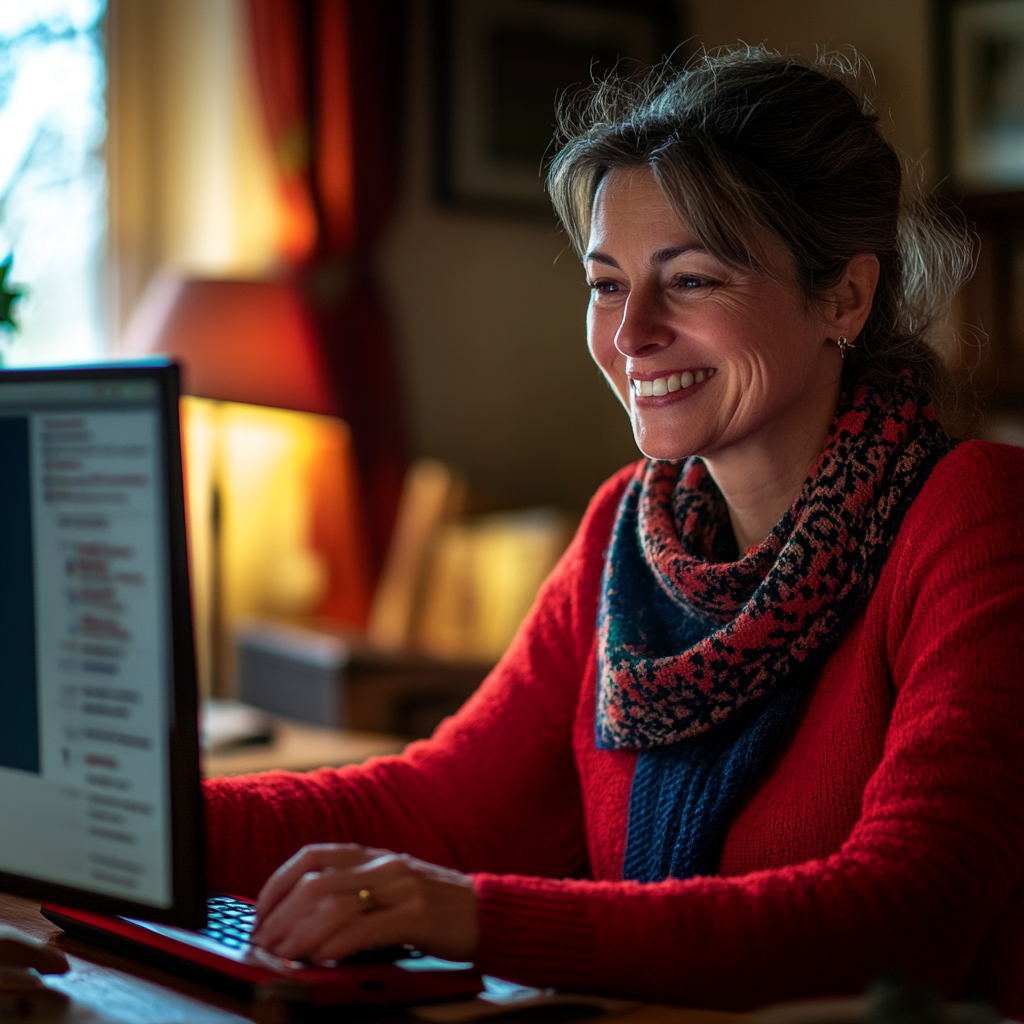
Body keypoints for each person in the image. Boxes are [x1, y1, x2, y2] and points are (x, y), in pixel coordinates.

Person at [205, 49, 1024, 1014]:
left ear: (844, 296)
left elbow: (901, 919)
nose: (631, 332)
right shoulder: (626, 531)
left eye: (691, 281)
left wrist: (468, 915)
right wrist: (118, 818)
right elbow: (437, 805)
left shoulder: (976, 517)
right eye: (606, 284)